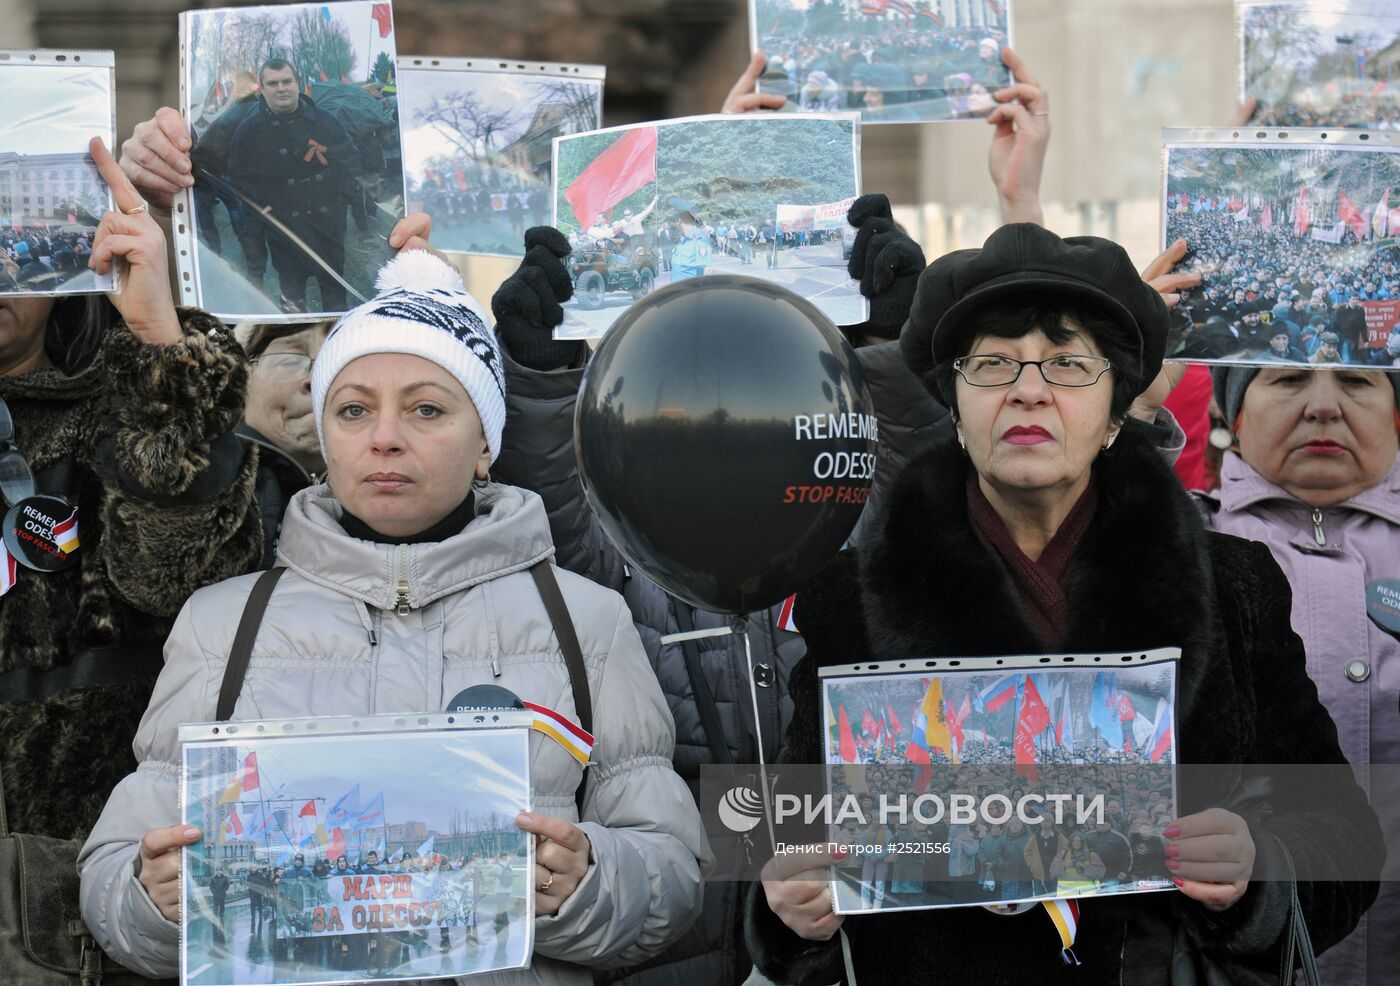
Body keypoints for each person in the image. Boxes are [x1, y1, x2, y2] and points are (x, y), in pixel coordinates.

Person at [748, 223, 1381, 983]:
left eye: (1068, 364)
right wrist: (786, 906)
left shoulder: (1233, 586)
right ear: (954, 405)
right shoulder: (846, 599)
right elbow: (790, 842)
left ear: (1117, 413)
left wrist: (1259, 868)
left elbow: (1345, 838)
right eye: (991, 364)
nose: (1028, 389)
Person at [77, 249, 709, 984]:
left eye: (427, 409)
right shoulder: (221, 626)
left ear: (485, 445)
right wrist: (153, 902)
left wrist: (590, 881)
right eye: (352, 410)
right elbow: (112, 876)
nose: (384, 437)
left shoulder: (585, 621)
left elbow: (672, 866)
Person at [0, 137, 261, 983]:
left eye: (10, 230)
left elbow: (181, 586)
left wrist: (157, 341)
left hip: (88, 925)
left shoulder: (117, 424)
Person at [1197, 361, 1400, 983]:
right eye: (1286, 380)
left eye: (1358, 381)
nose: (1323, 406)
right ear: (1233, 414)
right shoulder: (1176, 548)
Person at [226, 58, 367, 312]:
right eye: (273, 83)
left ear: (297, 84)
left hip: (328, 230)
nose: (281, 88)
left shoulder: (325, 121)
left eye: (287, 81)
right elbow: (238, 180)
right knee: (292, 305)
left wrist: (343, 202)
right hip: (285, 235)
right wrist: (262, 211)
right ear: (262, 88)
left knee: (336, 303)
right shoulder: (248, 130)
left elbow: (351, 162)